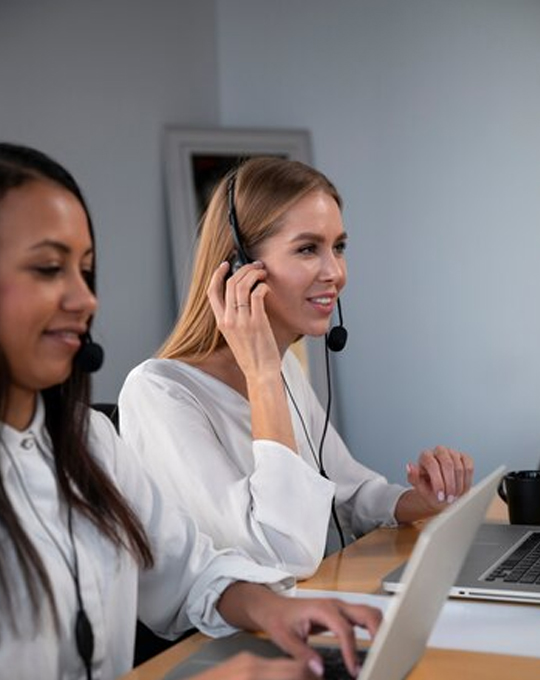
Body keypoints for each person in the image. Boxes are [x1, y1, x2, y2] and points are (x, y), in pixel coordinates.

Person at [0, 143, 382, 680]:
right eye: (47, 268)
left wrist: (279, 611)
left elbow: (190, 570)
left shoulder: (86, 441)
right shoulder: (162, 391)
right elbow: (283, 549)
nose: (86, 299)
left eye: (86, 271)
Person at [119, 157, 474, 578]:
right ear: (239, 269)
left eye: (338, 247)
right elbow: (282, 555)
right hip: (222, 637)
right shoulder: (160, 393)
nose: (335, 273)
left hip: (301, 613)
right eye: (308, 249)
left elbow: (347, 491)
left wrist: (424, 500)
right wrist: (263, 376)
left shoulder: (283, 366)